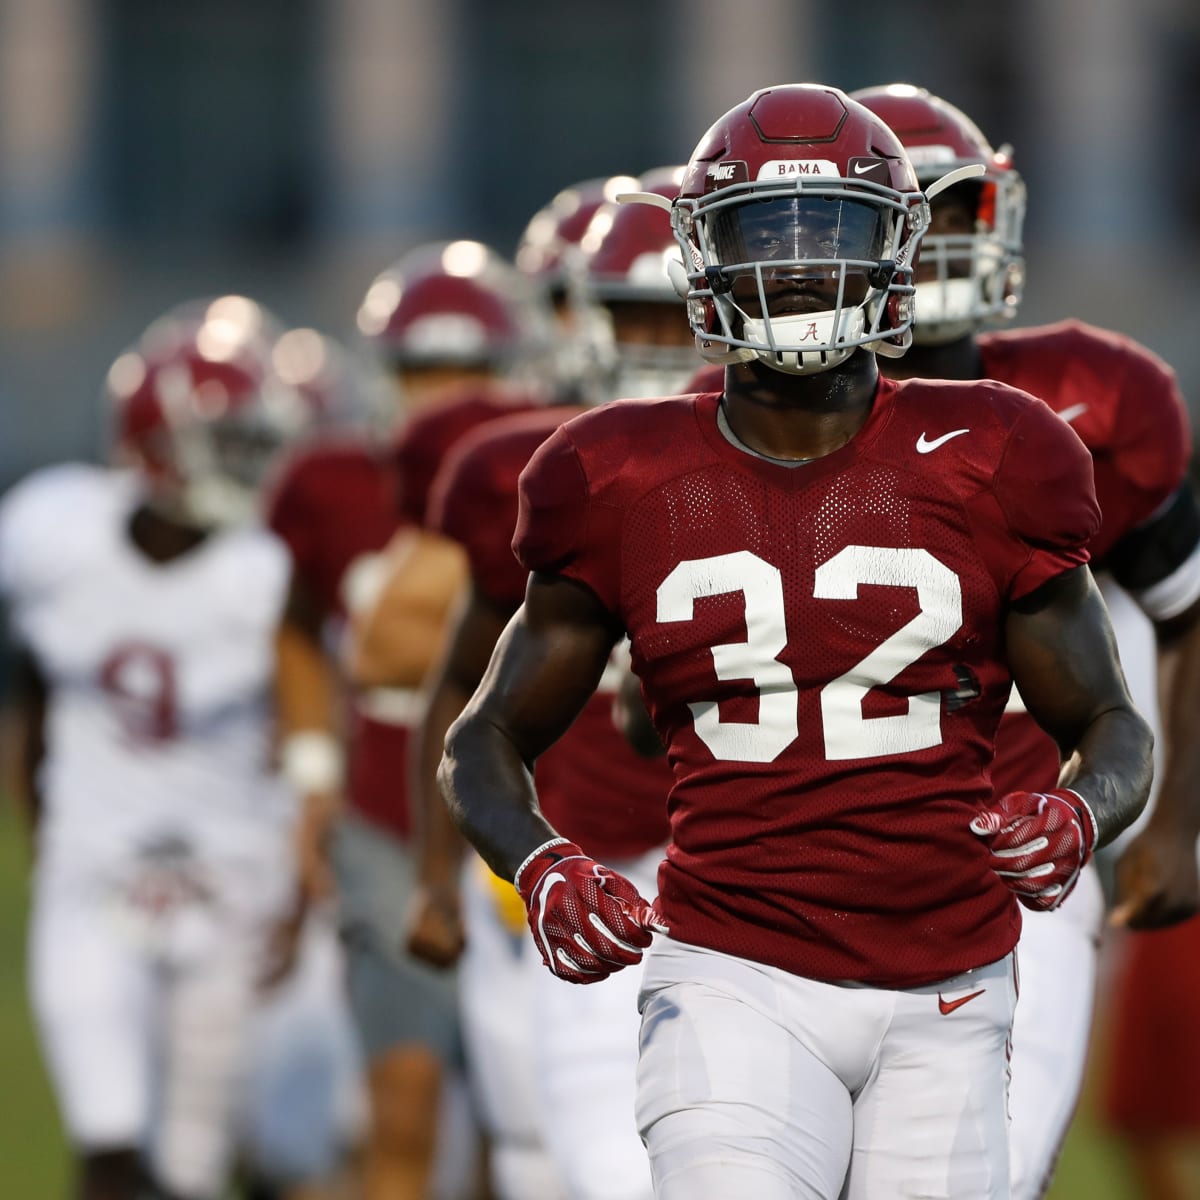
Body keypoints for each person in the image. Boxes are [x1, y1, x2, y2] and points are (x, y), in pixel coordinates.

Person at [436, 83, 1155, 1200]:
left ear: (896, 249)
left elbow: (1108, 721)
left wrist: (1080, 809)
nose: (802, 268)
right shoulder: (615, 471)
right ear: (702, 255)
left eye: (836, 234)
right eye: (765, 235)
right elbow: (485, 735)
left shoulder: (1004, 449)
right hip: (731, 968)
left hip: (952, 982)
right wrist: (543, 861)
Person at [850, 83, 1200, 1200]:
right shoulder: (744, 414)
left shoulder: (1098, 400)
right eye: (904, 211)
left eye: (954, 209)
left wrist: (1176, 822)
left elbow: (1189, 609)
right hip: (813, 853)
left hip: (1024, 859)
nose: (935, 241)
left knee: (987, 1172)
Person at [390, 168, 694, 1200]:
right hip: (577, 861)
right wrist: (439, 875)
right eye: (624, 313)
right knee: (547, 1153)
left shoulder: (810, 459)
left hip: (752, 868)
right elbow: (443, 681)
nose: (652, 348)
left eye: (673, 315)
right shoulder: (516, 466)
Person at [0, 299, 313, 1200]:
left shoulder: (267, 566)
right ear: (154, 444)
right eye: (229, 439)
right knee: (108, 1145)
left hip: (230, 879)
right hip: (95, 876)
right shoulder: (55, 534)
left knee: (192, 1164)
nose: (250, 462)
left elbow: (304, 723)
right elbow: (32, 692)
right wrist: (47, 831)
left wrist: (293, 863)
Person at [267, 240, 547, 1200]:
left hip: (532, 817)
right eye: (424, 375)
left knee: (526, 1118)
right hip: (389, 812)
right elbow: (323, 635)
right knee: (405, 1105)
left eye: (468, 374)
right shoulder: (337, 485)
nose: (446, 398)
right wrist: (312, 777)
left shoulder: (552, 468)